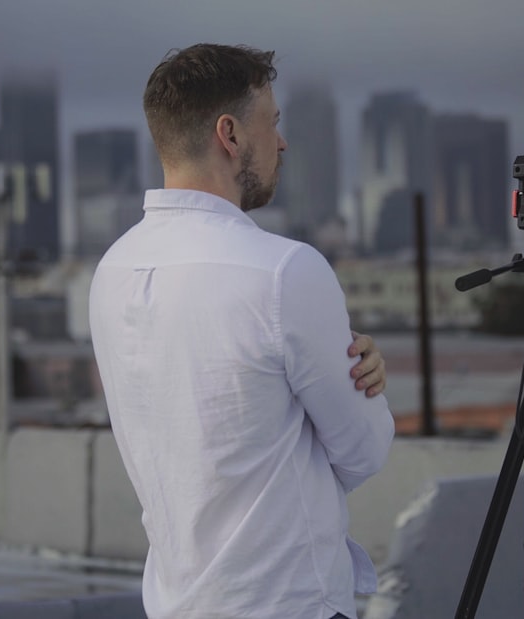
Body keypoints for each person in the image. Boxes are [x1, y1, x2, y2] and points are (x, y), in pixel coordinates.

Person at [89, 44, 395, 619]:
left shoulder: (111, 270)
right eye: (272, 123)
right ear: (229, 134)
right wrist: (363, 389)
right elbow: (365, 449)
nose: (281, 142)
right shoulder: (284, 271)